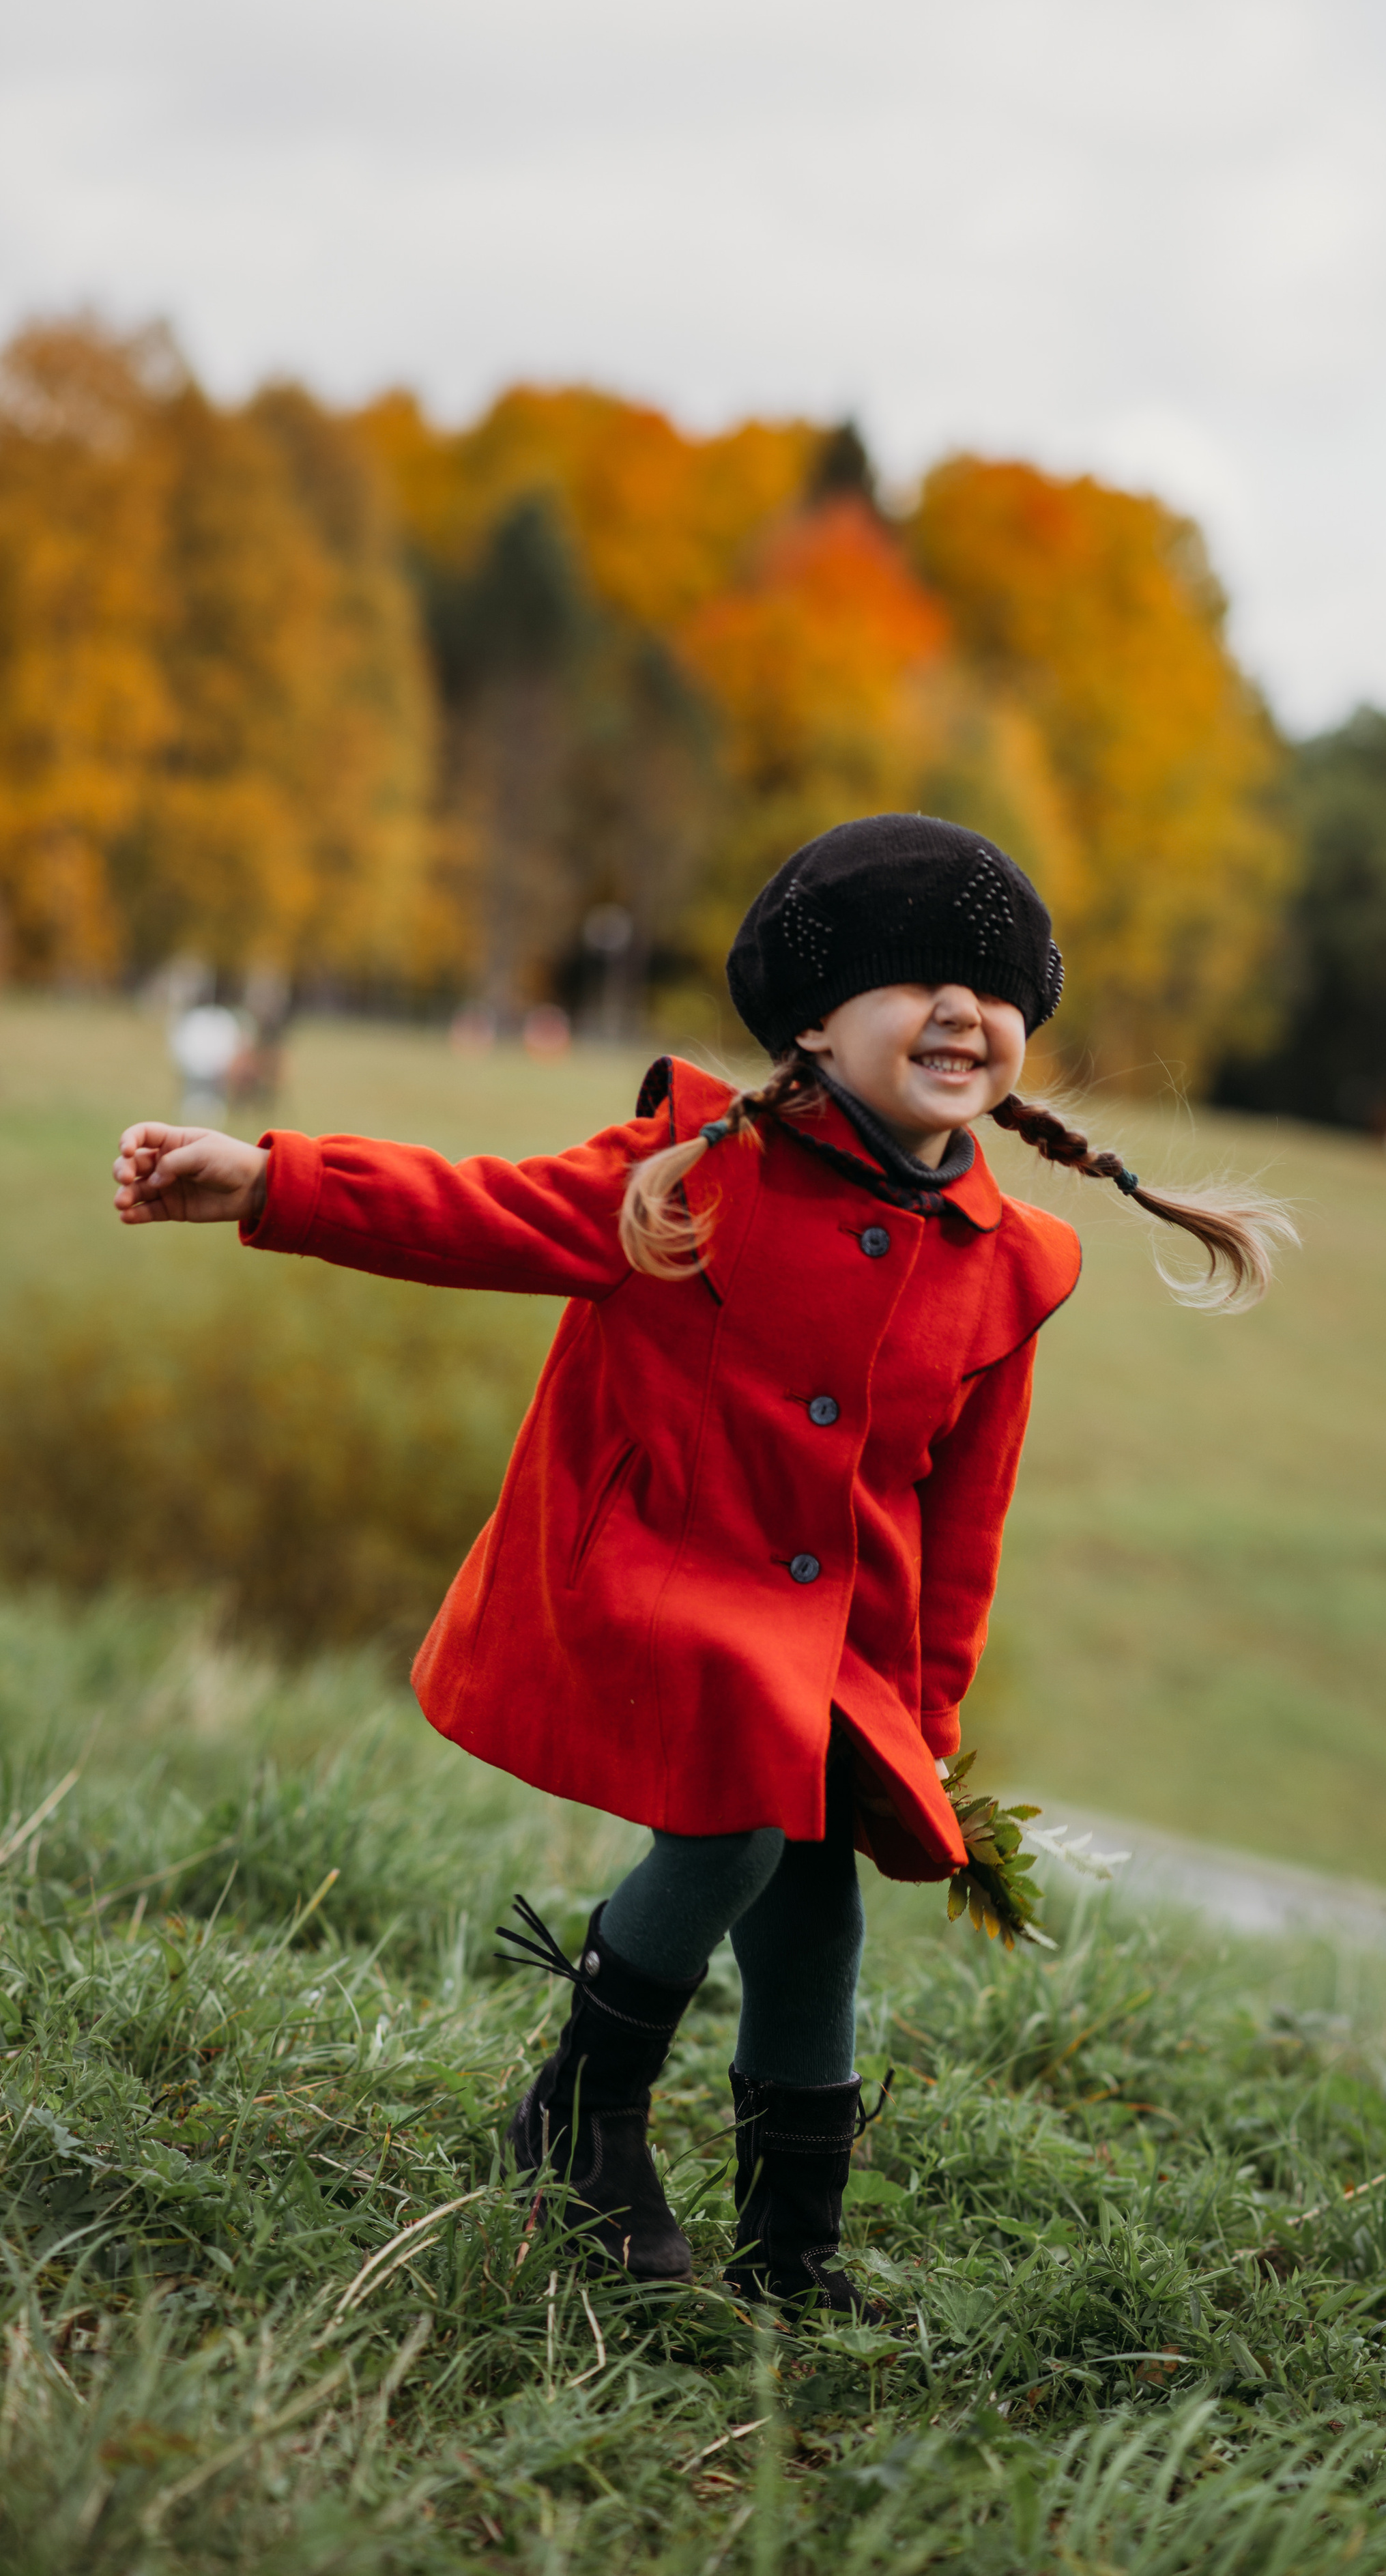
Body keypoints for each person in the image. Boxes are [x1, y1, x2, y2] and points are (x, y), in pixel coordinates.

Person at [111, 813, 1291, 2316]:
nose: (960, 1011)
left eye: (991, 989)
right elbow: (481, 1209)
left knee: (814, 1905)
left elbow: (958, 1526)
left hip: (827, 1642)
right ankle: (577, 2111)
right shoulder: (692, 1174)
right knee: (738, 1812)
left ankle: (793, 2249)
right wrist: (269, 1180)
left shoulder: (1012, 1264)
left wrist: (919, 1730)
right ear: (812, 1020)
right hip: (657, 1583)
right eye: (911, 977)